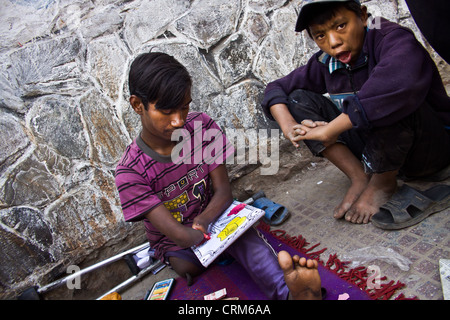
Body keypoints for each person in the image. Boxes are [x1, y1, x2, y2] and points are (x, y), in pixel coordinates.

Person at [115, 51, 322, 300]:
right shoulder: (130, 172)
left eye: (184, 106)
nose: (179, 120)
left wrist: (205, 222)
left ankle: (289, 292)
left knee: (244, 239)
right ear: (138, 105)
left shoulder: (201, 127)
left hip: (215, 215)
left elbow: (223, 191)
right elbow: (178, 235)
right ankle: (225, 250)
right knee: (188, 267)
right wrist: (200, 236)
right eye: (167, 111)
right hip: (176, 240)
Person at [261, 0, 450, 226]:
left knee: (386, 99)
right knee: (297, 98)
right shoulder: (326, 62)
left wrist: (329, 130)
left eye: (341, 26)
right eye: (320, 36)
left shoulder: (391, 37)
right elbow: (276, 87)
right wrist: (288, 124)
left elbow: (396, 86)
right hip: (378, 150)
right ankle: (360, 177)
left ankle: (382, 184)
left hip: (429, 151)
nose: (334, 42)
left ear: (362, 16)